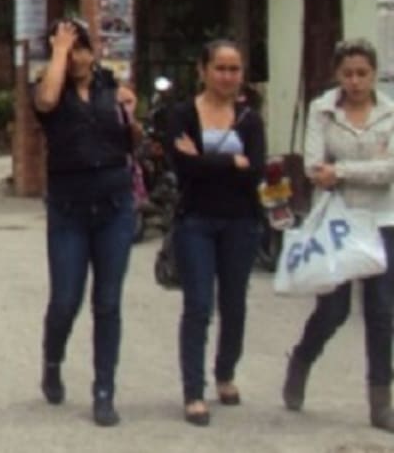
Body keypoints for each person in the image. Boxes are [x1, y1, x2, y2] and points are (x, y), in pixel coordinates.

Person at [283, 38, 394, 431]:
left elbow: (388, 171)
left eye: (362, 73)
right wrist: (336, 173)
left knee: (382, 311)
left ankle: (380, 400)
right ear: (337, 75)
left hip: (383, 219)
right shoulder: (322, 110)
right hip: (338, 221)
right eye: (348, 73)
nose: (355, 81)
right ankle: (301, 360)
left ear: (374, 74)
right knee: (334, 309)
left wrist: (343, 171)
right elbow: (315, 167)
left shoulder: (390, 112)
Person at [33, 18, 138, 427]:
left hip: (114, 205)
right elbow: (44, 103)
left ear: (93, 53)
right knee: (65, 300)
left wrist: (132, 116)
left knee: (108, 303)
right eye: (67, 49)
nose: (75, 56)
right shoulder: (48, 91)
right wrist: (57, 51)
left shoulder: (112, 90)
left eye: (81, 48)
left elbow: (132, 142)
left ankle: (104, 390)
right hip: (68, 209)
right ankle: (52, 361)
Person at [165, 39, 265, 426]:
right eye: (220, 68)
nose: (227, 76)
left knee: (235, 303)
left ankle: (225, 373)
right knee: (198, 305)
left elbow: (255, 169)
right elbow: (183, 167)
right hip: (196, 221)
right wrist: (230, 162)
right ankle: (193, 391)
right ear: (203, 70)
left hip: (241, 221)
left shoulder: (249, 118)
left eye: (234, 69)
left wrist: (207, 160)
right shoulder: (183, 114)